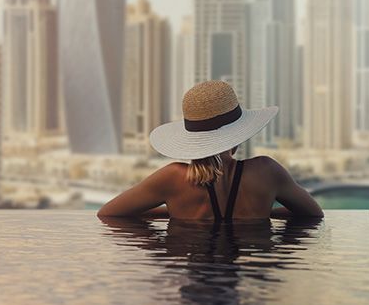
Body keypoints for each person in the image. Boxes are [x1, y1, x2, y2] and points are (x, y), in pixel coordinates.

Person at [98, 80, 323, 221]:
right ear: (239, 136)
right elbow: (313, 214)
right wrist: (265, 213)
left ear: (191, 140)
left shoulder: (172, 178)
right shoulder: (267, 171)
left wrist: (173, 212)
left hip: (195, 285)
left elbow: (108, 213)